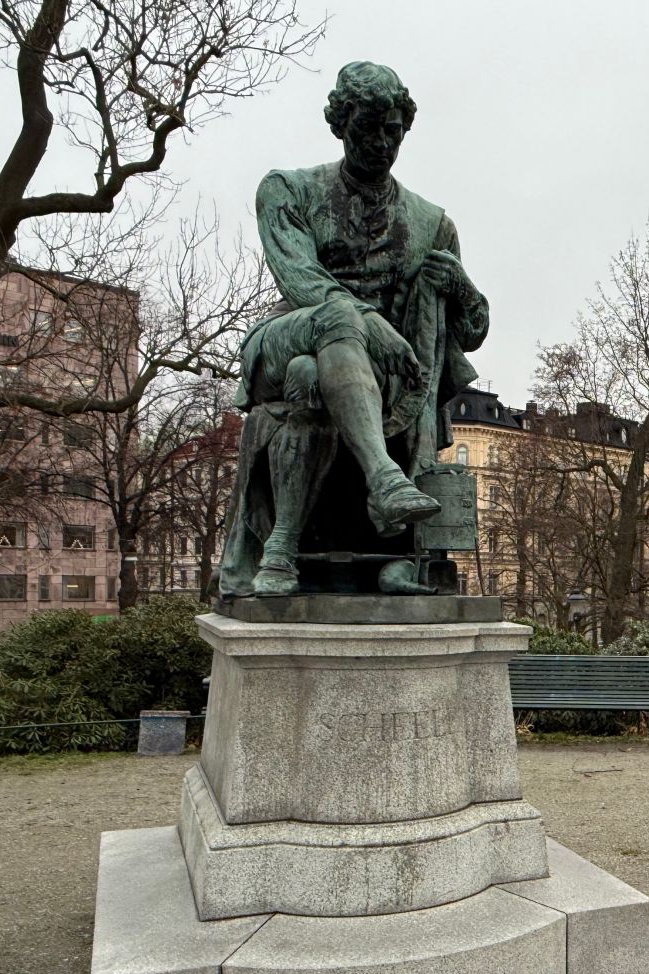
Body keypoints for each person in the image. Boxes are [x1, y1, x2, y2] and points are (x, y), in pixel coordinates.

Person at [218, 61, 489, 598]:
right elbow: (301, 280)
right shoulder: (287, 190)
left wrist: (461, 288)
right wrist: (369, 321)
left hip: (365, 375)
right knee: (329, 327)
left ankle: (289, 549)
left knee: (310, 376)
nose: (383, 142)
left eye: (394, 130)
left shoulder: (431, 222)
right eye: (370, 127)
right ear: (341, 122)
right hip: (287, 334)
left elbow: (473, 332)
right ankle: (385, 481)